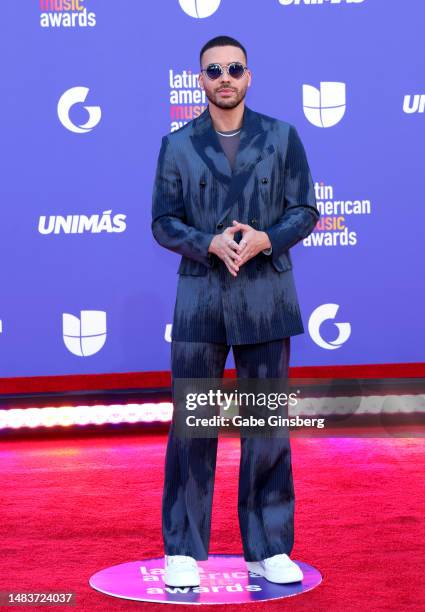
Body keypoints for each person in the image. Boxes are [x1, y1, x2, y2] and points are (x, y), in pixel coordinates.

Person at [151, 35, 319, 588]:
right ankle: (182, 549)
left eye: (235, 68)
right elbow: (162, 222)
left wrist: (267, 237)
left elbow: (306, 210)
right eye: (213, 70)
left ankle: (269, 546)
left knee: (266, 424)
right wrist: (209, 243)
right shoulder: (177, 145)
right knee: (194, 426)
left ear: (249, 77)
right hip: (201, 299)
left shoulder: (282, 137)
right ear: (200, 81)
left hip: (266, 298)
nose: (225, 77)